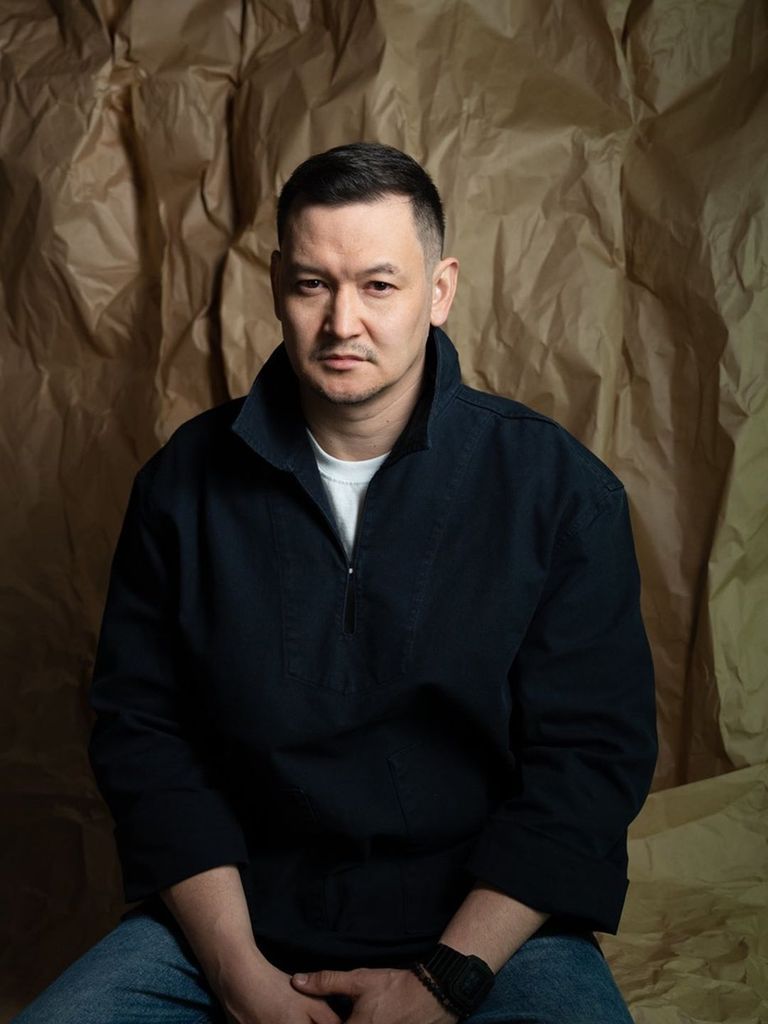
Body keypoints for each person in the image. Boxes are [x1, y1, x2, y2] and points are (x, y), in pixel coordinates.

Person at [13, 142, 657, 1024]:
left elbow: (590, 762)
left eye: (379, 285)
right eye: (313, 284)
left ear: (440, 291)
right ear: (278, 286)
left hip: (491, 929)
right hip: (237, 924)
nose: (342, 322)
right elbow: (145, 740)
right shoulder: (181, 487)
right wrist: (238, 975)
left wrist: (447, 981)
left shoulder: (561, 494)